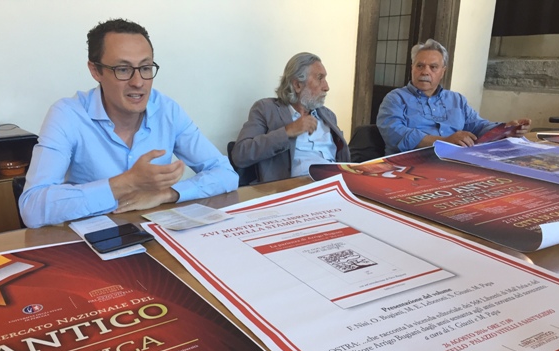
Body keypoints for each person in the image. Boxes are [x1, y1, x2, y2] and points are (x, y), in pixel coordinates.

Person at [20, 19, 238, 228]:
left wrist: (167, 194)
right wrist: (126, 183)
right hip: (92, 239)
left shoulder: (167, 111)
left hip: (155, 233)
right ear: (95, 71)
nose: (138, 82)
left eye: (145, 68)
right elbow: (32, 207)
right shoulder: (68, 114)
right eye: (123, 69)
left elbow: (226, 173)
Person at [376, 38, 531, 155]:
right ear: (412, 68)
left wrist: (504, 130)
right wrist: (444, 141)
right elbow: (394, 134)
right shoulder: (395, 98)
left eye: (433, 67)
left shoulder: (457, 100)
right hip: (410, 165)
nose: (425, 71)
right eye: (420, 66)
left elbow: (478, 126)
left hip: (455, 161)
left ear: (443, 71)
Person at [232, 52, 350, 183]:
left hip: (334, 184)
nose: (326, 87)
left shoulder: (328, 116)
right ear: (297, 85)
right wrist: (287, 132)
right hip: (294, 187)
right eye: (319, 78)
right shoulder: (266, 109)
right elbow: (240, 155)